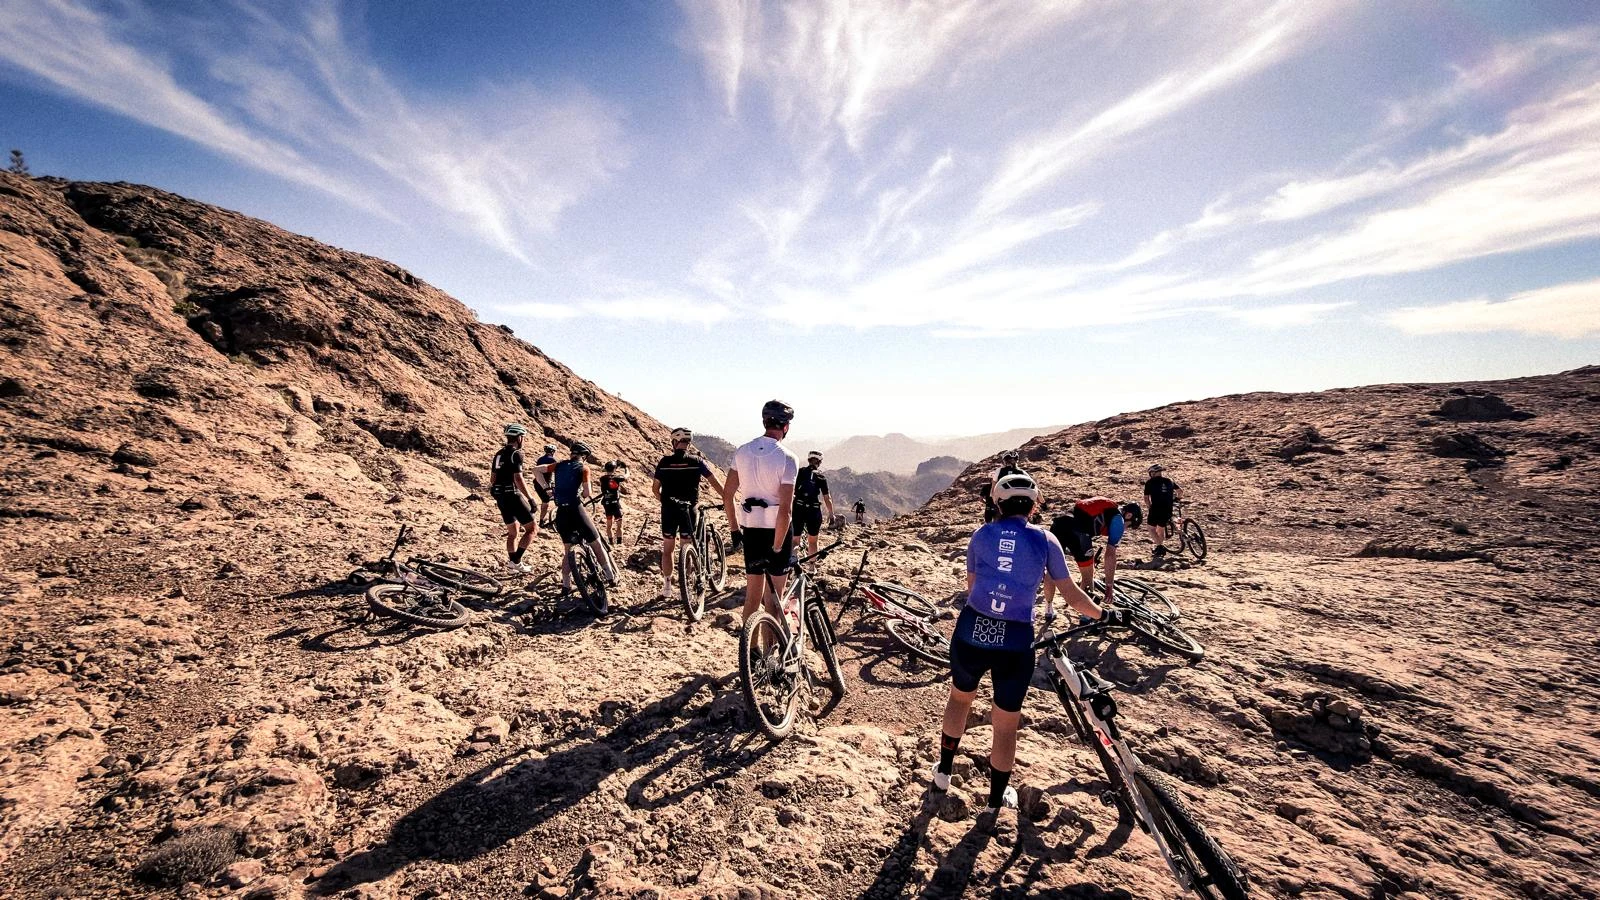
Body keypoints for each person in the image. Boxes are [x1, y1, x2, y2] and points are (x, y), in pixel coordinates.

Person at [934, 473, 1123, 820]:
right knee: (1005, 724)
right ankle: (993, 802)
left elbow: (973, 585)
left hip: (972, 631)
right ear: (1034, 505)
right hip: (1015, 640)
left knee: (960, 699)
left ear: (996, 503)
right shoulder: (1046, 539)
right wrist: (1104, 614)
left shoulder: (981, 534)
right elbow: (1070, 593)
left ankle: (943, 774)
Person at [722, 400, 798, 623]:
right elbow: (785, 510)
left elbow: (727, 495)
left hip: (751, 530)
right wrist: (777, 546)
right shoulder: (787, 457)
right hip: (777, 533)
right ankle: (769, 654)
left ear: (765, 422)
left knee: (752, 598)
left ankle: (750, 653)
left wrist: (735, 530)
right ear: (786, 426)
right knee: (773, 601)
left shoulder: (742, 451)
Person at [535, 441, 619, 593]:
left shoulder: (559, 465)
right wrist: (582, 492)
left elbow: (536, 470)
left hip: (561, 513)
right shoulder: (583, 468)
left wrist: (547, 489)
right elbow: (587, 493)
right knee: (596, 543)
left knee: (568, 550)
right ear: (584, 456)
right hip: (576, 510)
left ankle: (566, 585)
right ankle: (610, 576)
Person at [652, 428, 725, 600]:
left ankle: (667, 586)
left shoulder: (664, 462)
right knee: (687, 545)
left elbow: (655, 489)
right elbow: (714, 481)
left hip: (669, 509)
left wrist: (667, 502)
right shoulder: (697, 461)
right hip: (690, 509)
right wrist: (726, 499)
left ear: (674, 442)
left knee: (668, 549)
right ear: (688, 443)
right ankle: (687, 584)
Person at [1044, 497, 1137, 608]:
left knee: (1051, 570)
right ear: (1128, 516)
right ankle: (1085, 614)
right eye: (1129, 525)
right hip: (1078, 532)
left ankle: (1048, 609)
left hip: (1059, 523)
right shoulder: (1118, 520)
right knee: (1088, 576)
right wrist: (1109, 587)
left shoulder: (1107, 507)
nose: (1126, 529)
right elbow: (1110, 555)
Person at [489, 424, 537, 572]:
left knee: (513, 531)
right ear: (519, 438)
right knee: (532, 529)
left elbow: (493, 478)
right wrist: (530, 499)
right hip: (512, 494)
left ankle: (512, 565)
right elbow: (518, 478)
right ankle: (516, 561)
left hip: (500, 495)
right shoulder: (516, 453)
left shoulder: (498, 453)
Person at [792, 450, 834, 565]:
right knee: (813, 541)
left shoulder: (800, 472)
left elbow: (791, 490)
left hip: (798, 508)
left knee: (795, 540)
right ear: (819, 462)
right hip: (813, 510)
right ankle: (812, 567)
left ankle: (793, 563)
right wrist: (831, 514)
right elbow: (827, 498)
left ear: (808, 460)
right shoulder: (821, 477)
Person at [1143, 464, 1181, 558]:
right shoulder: (1169, 481)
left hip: (1156, 508)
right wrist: (1176, 499)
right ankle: (1158, 546)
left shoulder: (1150, 482)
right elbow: (1180, 491)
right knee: (1161, 528)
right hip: (1168, 508)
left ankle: (1160, 547)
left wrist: (1149, 508)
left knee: (1151, 528)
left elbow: (1146, 498)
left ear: (1153, 473)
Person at [981, 450, 1027, 523]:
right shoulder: (1022, 472)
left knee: (997, 522)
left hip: (1001, 501)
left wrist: (993, 499)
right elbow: (1031, 484)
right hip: (1018, 500)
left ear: (1005, 461)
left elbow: (993, 486)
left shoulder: (999, 470)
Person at [599, 461, 626, 546]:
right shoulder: (617, 478)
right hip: (615, 504)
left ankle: (610, 542)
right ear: (614, 469)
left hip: (607, 503)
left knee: (609, 524)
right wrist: (626, 468)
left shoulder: (602, 478)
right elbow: (626, 476)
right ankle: (619, 542)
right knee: (619, 524)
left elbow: (606, 473)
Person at [532, 442, 558, 526]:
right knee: (546, 502)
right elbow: (555, 472)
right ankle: (541, 521)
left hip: (537, 483)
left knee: (545, 500)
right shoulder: (552, 460)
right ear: (553, 452)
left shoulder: (540, 459)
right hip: (546, 484)